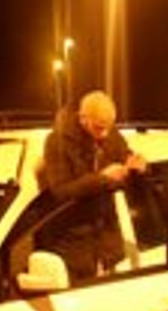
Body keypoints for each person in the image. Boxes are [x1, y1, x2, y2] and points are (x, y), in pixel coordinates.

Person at [40, 90, 146, 281]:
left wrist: (137, 165)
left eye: (109, 127)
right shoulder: (57, 142)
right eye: (98, 128)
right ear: (83, 118)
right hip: (73, 245)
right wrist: (102, 178)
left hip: (107, 243)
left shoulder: (111, 135)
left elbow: (126, 158)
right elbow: (61, 191)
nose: (105, 134)